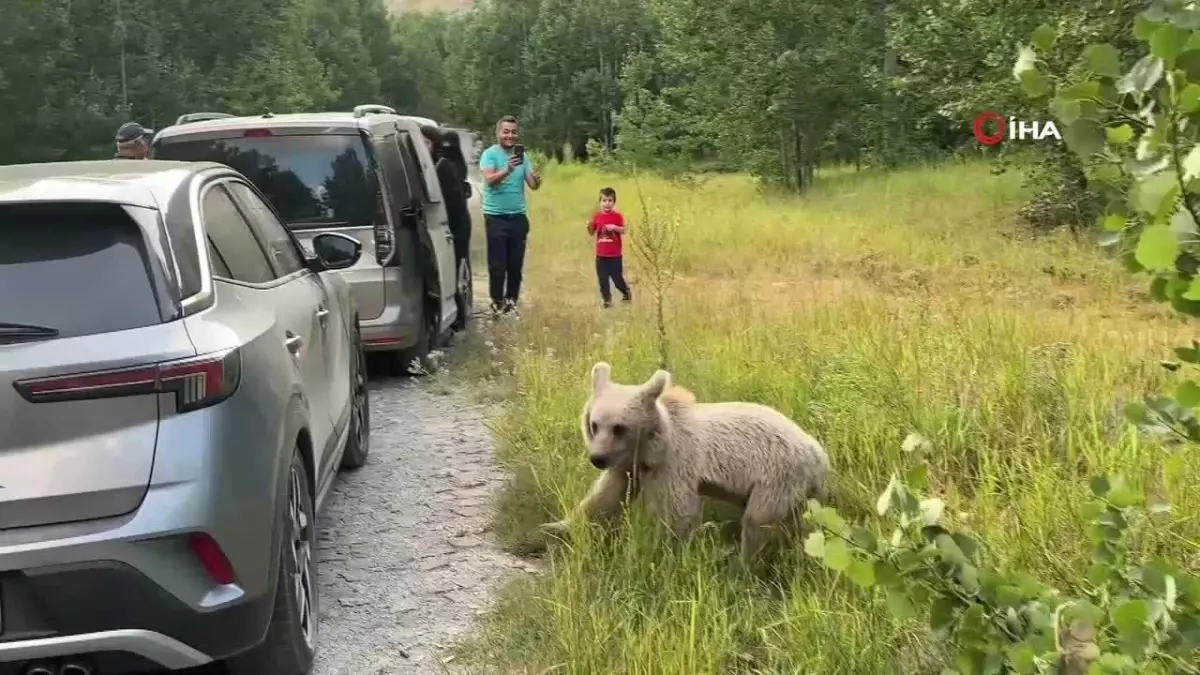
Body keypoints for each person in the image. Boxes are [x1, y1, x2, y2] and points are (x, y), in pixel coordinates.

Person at [479, 115, 541, 316]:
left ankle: (511, 301)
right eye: (506, 131)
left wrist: (538, 179)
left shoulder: (523, 156)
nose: (510, 135)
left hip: (518, 218)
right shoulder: (490, 155)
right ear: (498, 133)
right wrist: (507, 169)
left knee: (515, 264)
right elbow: (489, 180)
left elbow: (532, 185)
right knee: (498, 264)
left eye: (513, 132)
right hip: (496, 217)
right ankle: (496, 302)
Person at [420, 125, 473, 329]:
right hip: (449, 225)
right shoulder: (432, 165)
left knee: (456, 270)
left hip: (454, 225)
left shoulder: (443, 167)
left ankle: (458, 317)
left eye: (427, 142)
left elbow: (454, 204)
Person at [587, 187, 631, 308]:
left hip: (615, 255)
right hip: (601, 255)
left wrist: (614, 227)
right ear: (600, 202)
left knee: (617, 278)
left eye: (610, 200)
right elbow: (592, 232)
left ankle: (626, 293)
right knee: (603, 279)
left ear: (614, 202)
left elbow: (623, 230)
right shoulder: (597, 216)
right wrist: (589, 226)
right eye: (604, 200)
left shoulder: (617, 216)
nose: (607, 203)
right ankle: (607, 301)